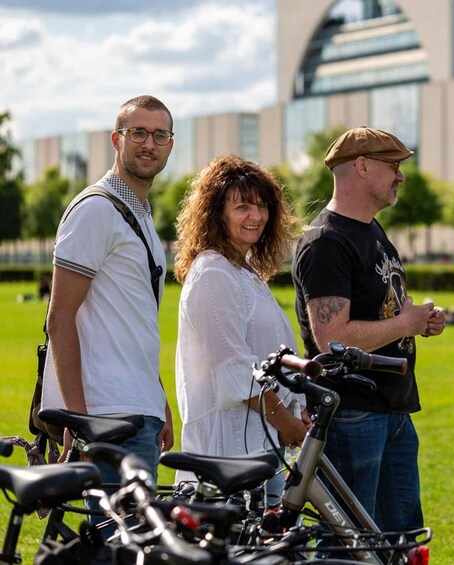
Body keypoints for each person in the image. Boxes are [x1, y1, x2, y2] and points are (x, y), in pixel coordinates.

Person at [292, 126, 446, 533]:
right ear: (361, 166)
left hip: (391, 408)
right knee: (345, 543)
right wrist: (405, 322)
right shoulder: (326, 241)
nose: (401, 175)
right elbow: (332, 338)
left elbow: (384, 310)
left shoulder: (371, 231)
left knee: (399, 540)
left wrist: (419, 322)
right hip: (353, 413)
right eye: (393, 165)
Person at [41, 95, 175, 481]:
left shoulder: (140, 212)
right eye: (138, 133)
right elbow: (59, 317)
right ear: (116, 140)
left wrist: (158, 397)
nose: (149, 144)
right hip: (106, 416)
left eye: (159, 135)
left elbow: (134, 318)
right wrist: (80, 422)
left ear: (170, 145)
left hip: (139, 409)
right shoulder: (97, 209)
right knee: (113, 539)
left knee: (129, 539)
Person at [173, 155, 310, 498]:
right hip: (228, 456)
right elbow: (236, 371)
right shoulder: (213, 273)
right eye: (243, 207)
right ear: (217, 212)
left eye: (262, 206)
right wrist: (288, 423)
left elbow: (270, 361)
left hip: (262, 448)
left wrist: (298, 410)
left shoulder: (244, 271)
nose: (256, 216)